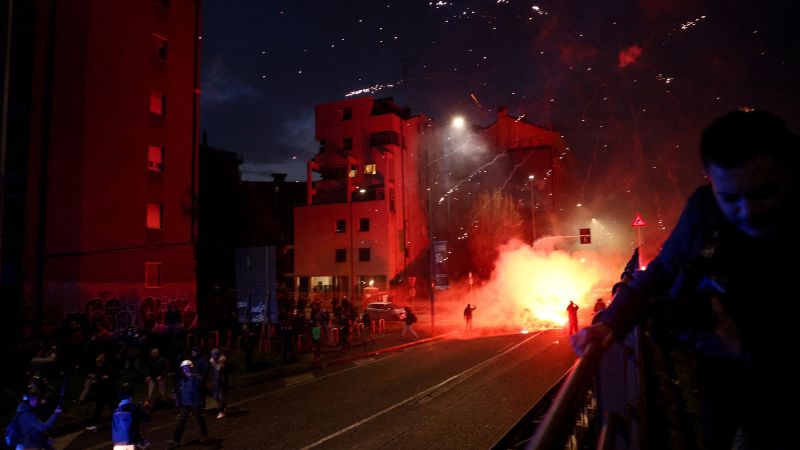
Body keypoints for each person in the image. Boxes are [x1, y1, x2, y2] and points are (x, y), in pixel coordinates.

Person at [572, 109, 800, 449]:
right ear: (710, 179)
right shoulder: (704, 210)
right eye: (731, 198)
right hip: (717, 372)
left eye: (763, 193)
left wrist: (751, 349)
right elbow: (664, 270)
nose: (748, 210)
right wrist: (609, 324)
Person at [167, 360, 209, 447]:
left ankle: (205, 435)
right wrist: (175, 395)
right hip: (185, 403)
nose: (185, 370)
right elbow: (175, 389)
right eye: (183, 368)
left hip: (195, 403)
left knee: (199, 419)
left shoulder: (196, 377)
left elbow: (202, 385)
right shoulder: (182, 379)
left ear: (190, 367)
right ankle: (176, 440)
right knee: (181, 421)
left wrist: (193, 376)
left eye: (186, 368)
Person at [113, 383, 150, 449]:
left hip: (117, 443)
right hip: (131, 443)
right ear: (130, 397)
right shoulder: (134, 408)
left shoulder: (116, 411)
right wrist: (144, 408)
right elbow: (147, 419)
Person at [208, 348, 229, 419]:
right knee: (215, 397)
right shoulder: (212, 360)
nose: (213, 357)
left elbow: (219, 369)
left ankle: (221, 412)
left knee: (220, 396)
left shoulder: (222, 359)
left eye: (214, 355)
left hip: (222, 381)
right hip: (215, 381)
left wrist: (213, 362)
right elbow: (212, 371)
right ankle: (224, 405)